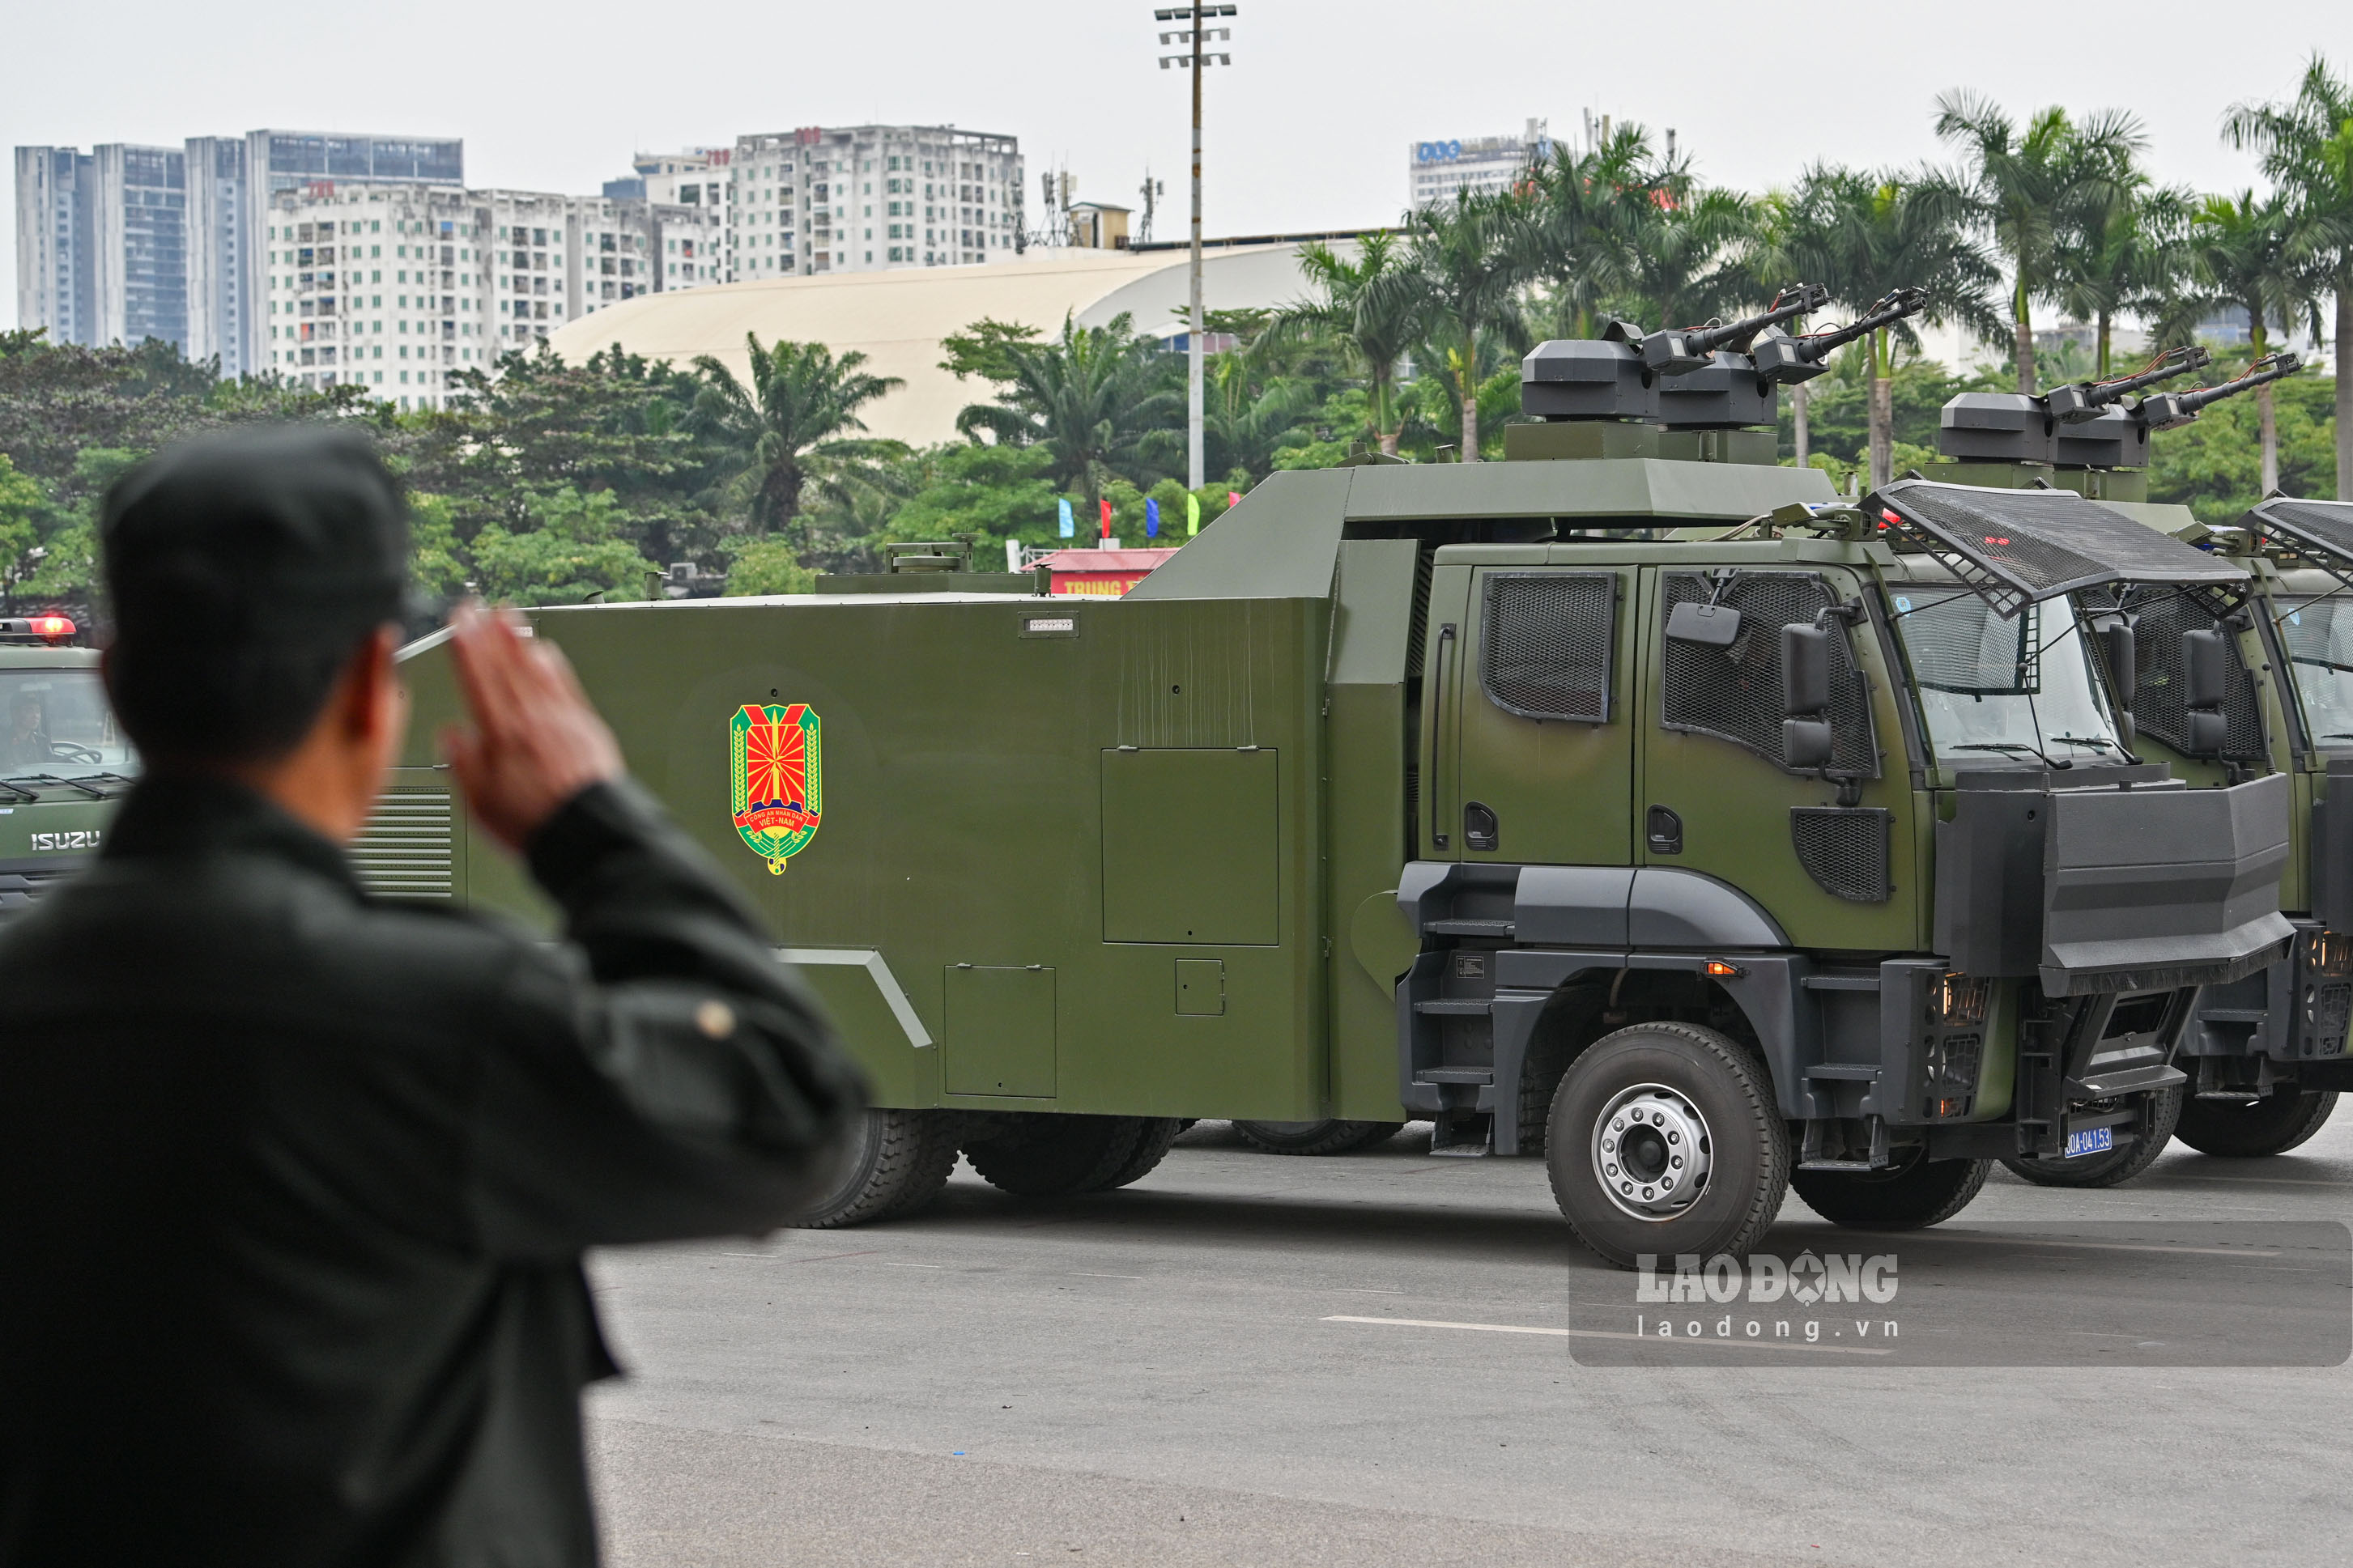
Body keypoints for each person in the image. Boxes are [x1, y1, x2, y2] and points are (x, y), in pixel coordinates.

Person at [0, 426, 866, 1566]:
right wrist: (592, 828)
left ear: (114, 680)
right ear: (372, 682)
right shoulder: (437, 1017)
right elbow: (793, 1110)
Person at [2, 691, 49, 767]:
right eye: (29, 711)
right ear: (15, 714)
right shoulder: (3, 742)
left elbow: (51, 769)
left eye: (38, 711)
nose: (36, 716)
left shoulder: (41, 742)